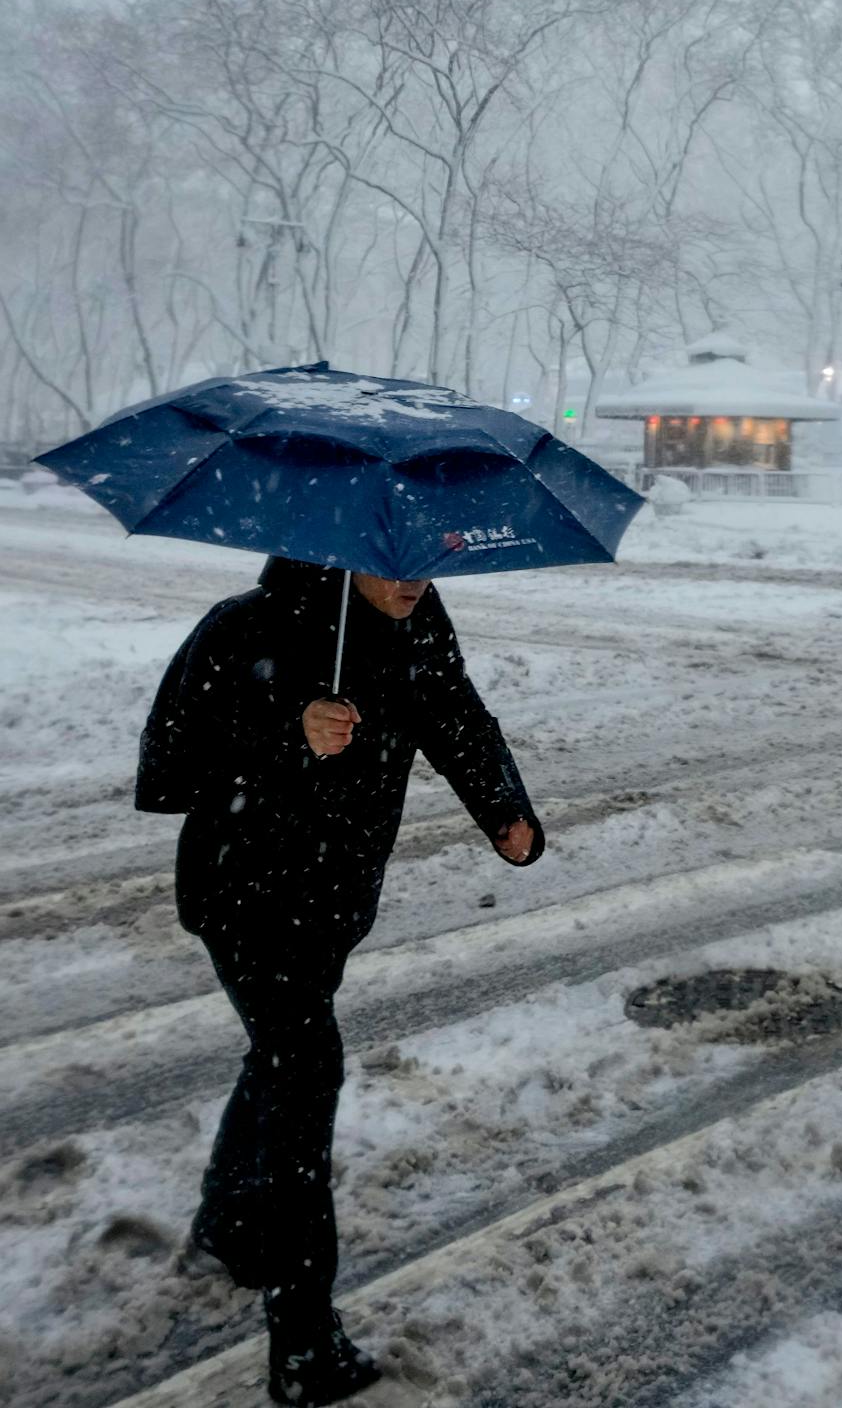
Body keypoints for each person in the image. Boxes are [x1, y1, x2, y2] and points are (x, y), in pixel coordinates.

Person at [138, 556, 543, 1406]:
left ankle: (228, 1223)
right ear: (345, 548)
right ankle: (303, 1337)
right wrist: (288, 731)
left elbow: (454, 713)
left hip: (336, 895)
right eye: (397, 564)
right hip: (243, 889)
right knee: (304, 1068)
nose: (416, 581)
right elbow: (165, 768)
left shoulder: (417, 622)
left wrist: (503, 807)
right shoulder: (241, 626)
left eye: (434, 561)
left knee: (279, 1056)